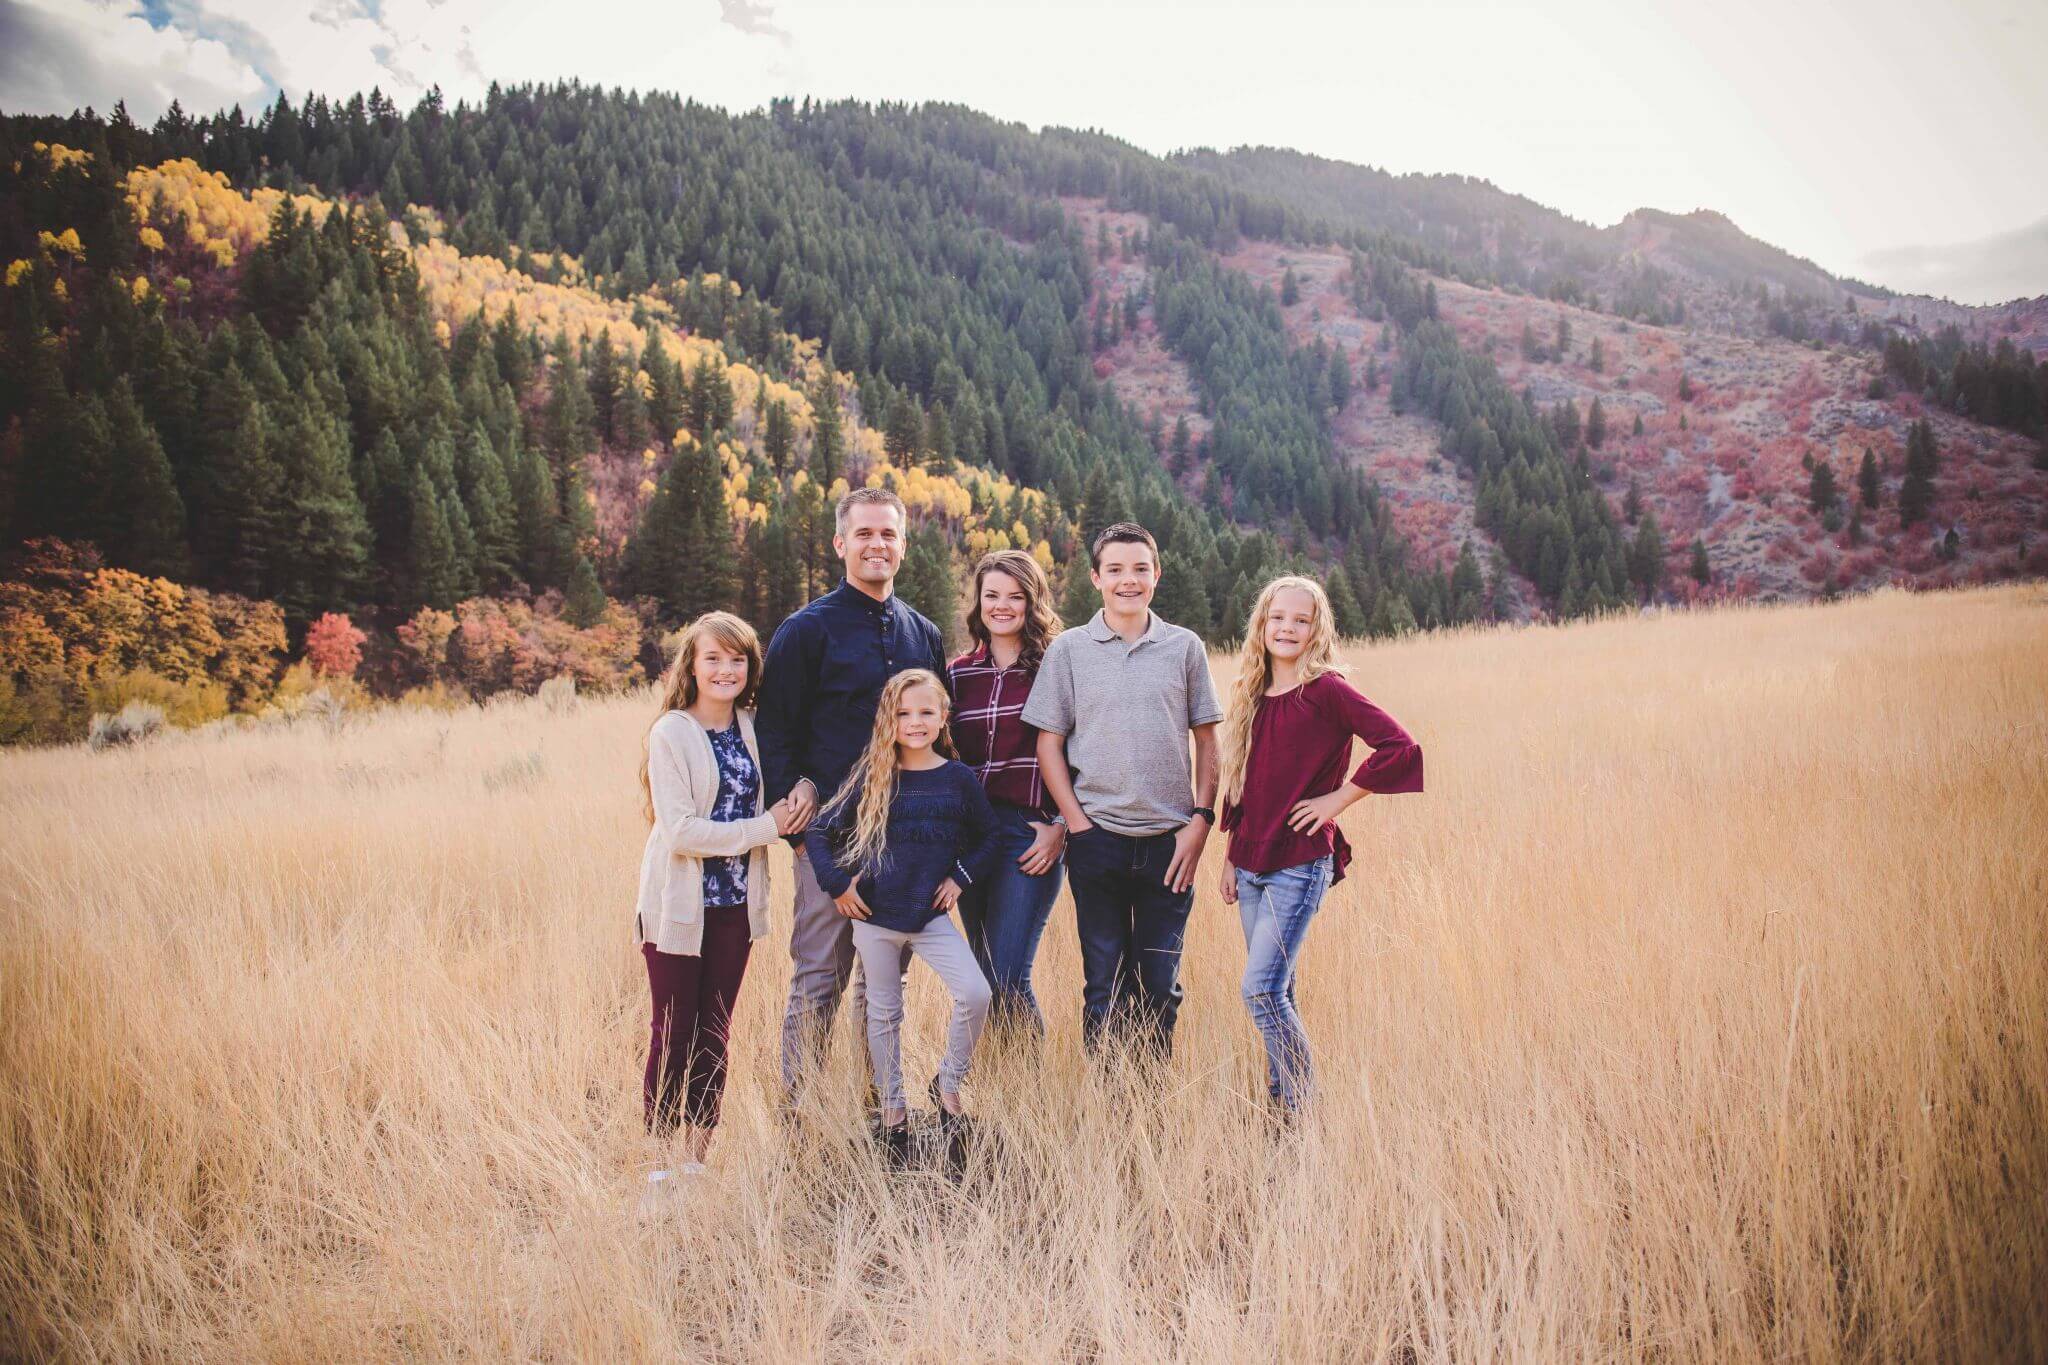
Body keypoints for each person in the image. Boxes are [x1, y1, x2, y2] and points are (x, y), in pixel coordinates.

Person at [756, 486, 950, 1105]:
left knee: (884, 984)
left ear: (903, 545)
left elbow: (941, 739)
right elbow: (776, 735)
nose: (877, 545)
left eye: (888, 534)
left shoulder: (924, 633)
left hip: (906, 842)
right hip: (830, 843)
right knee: (819, 980)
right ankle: (802, 1119)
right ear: (841, 544)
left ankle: (879, 1112)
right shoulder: (804, 632)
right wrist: (799, 831)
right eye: (864, 534)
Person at [1216, 576, 1422, 1115]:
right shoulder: (1252, 695)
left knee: (1260, 993)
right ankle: (1282, 1107)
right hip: (1253, 863)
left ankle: (1304, 1112)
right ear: (1261, 623)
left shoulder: (1328, 689)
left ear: (1317, 629)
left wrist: (1337, 800)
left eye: (1300, 620)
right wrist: (1230, 858)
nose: (1287, 628)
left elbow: (1399, 746)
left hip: (1299, 864)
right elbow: (1244, 784)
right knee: (1278, 993)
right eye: (1277, 617)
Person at [1025, 522, 1223, 1057]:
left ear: (1156, 575)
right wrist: (1079, 826)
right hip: (1098, 841)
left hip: (1170, 844)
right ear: (1096, 578)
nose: (1128, 580)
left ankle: (1150, 1114)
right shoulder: (1070, 650)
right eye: (1115, 569)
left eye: (1140, 569)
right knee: (1104, 988)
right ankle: (1108, 1112)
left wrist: (1201, 821)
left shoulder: (1184, 648)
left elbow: (1207, 740)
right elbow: (1049, 745)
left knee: (1159, 986)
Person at [634, 611, 803, 1207]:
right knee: (672, 1030)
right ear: (693, 665)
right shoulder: (672, 733)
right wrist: (765, 827)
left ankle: (696, 1161)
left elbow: (787, 783)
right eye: (714, 659)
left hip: (736, 905)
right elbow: (679, 831)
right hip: (678, 907)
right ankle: (658, 1164)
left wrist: (800, 791)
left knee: (714, 1032)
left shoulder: (754, 728)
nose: (726, 670)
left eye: (737, 659)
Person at [807, 670, 1001, 1167]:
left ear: (943, 718)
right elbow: (819, 833)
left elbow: (988, 837)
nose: (914, 722)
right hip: (874, 918)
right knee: (884, 1012)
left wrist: (960, 877)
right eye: (903, 713)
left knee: (975, 992)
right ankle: (894, 1113)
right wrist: (837, 885)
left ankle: (948, 1085)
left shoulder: (957, 778)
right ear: (888, 719)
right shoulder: (872, 774)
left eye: (926, 712)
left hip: (930, 917)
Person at [947, 550, 1067, 1034]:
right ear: (978, 602)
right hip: (971, 839)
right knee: (981, 978)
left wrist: (1062, 827)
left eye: (1015, 596)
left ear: (1032, 603)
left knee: (1009, 976)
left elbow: (1079, 755)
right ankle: (1000, 1097)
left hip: (1028, 832)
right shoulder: (957, 674)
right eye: (991, 595)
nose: (1002, 606)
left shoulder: (1057, 668)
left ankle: (1033, 1099)